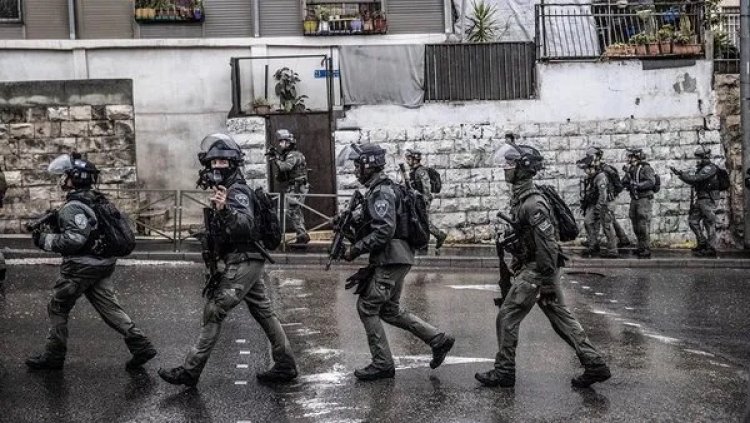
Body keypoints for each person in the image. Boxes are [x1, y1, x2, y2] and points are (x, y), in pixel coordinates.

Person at [159, 133, 297, 387]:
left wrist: (226, 210)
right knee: (264, 312)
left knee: (215, 310)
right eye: (213, 162)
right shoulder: (227, 189)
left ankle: (190, 371)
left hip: (244, 260)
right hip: (245, 259)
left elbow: (244, 225)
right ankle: (286, 365)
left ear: (233, 163)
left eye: (222, 162)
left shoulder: (237, 191)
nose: (216, 167)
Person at [475, 143, 611, 388]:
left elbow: (548, 245)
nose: (506, 168)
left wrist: (546, 281)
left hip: (538, 270)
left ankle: (504, 371)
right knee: (560, 318)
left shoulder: (533, 203)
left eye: (510, 164)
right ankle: (595, 364)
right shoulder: (522, 199)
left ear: (523, 169)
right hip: (537, 267)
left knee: (507, 317)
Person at [25, 153, 156, 371]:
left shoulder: (73, 207)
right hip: (102, 264)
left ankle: (53, 356)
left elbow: (75, 239)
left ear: (74, 177)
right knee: (109, 307)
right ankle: (141, 345)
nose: (61, 179)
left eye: (64, 175)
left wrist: (44, 240)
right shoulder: (97, 198)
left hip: (79, 268)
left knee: (57, 307)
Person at [340, 143, 454, 381]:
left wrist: (355, 250)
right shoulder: (381, 188)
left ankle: (382, 363)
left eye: (358, 165)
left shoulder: (381, 191)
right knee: (390, 311)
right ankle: (438, 340)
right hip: (398, 257)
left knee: (367, 307)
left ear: (370, 165)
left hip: (391, 259)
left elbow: (383, 230)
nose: (356, 170)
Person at [670, 145, 719, 257]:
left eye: (699, 158)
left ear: (705, 157)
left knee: (709, 223)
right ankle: (702, 242)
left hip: (708, 200)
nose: (697, 160)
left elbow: (696, 179)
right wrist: (680, 174)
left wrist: (681, 174)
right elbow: (693, 181)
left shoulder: (709, 168)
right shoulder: (702, 168)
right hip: (701, 199)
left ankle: (711, 248)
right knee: (693, 221)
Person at [267, 129, 310, 245]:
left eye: (282, 141)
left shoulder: (293, 155)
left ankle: (303, 236)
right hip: (296, 186)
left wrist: (276, 159)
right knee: (296, 211)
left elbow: (285, 167)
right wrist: (276, 156)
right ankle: (301, 236)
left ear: (288, 142)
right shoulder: (291, 154)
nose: (280, 144)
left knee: (292, 211)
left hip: (297, 186)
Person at [578, 153, 620, 258]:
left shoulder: (601, 177)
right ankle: (593, 245)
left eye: (586, 169)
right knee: (588, 222)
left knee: (607, 226)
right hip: (596, 203)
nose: (585, 171)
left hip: (606, 204)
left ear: (591, 168)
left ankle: (613, 250)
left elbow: (603, 195)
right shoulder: (591, 176)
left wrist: (598, 208)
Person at [404, 149, 447, 252]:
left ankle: (437, 237)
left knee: (424, 222)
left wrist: (423, 198)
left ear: (415, 160)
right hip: (416, 200)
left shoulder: (421, 171)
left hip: (422, 201)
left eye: (409, 159)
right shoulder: (413, 171)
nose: (407, 161)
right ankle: (428, 240)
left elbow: (426, 188)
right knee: (420, 221)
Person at [622, 148, 656, 259]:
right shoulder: (632, 169)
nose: (629, 159)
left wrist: (637, 185)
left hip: (644, 199)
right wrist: (627, 177)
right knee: (635, 223)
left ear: (636, 157)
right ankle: (641, 247)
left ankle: (646, 248)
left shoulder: (646, 168)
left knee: (643, 224)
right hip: (635, 199)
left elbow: (651, 182)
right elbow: (624, 182)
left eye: (631, 157)